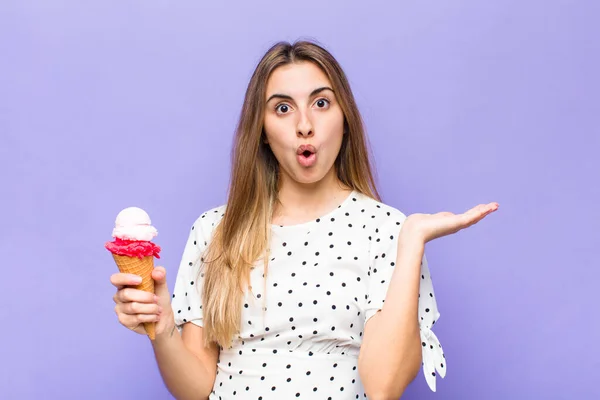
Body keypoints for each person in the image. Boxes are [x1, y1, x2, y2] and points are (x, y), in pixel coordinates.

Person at [110, 40, 498, 400]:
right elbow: (195, 387)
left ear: (345, 119)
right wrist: (162, 332)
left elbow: (384, 385)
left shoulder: (386, 230)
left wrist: (411, 239)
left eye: (321, 103)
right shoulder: (214, 231)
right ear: (262, 131)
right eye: (282, 108)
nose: (304, 125)